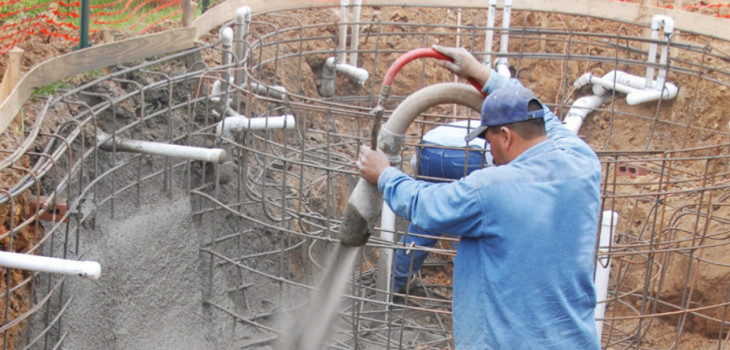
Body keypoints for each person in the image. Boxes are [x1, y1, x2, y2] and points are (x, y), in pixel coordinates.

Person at [356, 45, 602, 349]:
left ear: (506, 136)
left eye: (489, 140)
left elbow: (427, 206)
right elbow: (545, 117)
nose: (491, 152)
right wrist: (480, 73)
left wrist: (384, 175)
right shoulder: (583, 161)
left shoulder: (491, 189)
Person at [394, 120, 492, 294]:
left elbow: (416, 168)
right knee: (471, 219)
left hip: (428, 148)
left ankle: (397, 278)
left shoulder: (483, 124)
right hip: (473, 155)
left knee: (428, 216)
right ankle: (470, 282)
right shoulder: (523, 141)